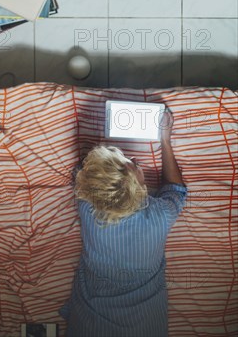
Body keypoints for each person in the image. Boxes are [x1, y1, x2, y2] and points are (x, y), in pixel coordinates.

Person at [60, 110, 187, 337]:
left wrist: (102, 164)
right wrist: (165, 140)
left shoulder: (88, 206)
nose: (135, 160)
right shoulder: (160, 215)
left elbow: (82, 171)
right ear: (142, 190)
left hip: (92, 322)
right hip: (143, 325)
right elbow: (176, 190)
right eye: (135, 164)